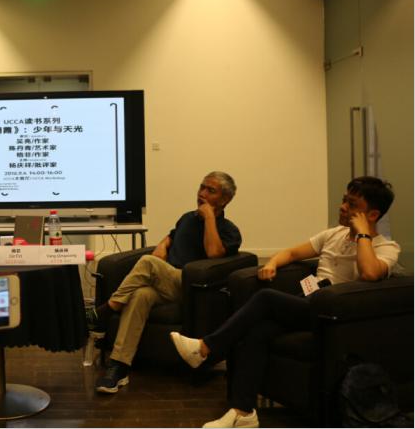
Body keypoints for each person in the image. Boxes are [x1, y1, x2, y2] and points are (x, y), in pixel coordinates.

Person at [170, 176, 399, 428]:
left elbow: (370, 273)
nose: (343, 207)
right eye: (344, 200)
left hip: (334, 315)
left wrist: (363, 234)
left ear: (372, 214)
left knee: (266, 298)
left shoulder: (386, 247)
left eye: (352, 205)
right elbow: (291, 252)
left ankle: (206, 348)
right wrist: (271, 263)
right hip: (309, 303)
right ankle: (243, 413)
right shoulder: (333, 235)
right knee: (256, 333)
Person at [88, 171, 242, 394]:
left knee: (148, 262)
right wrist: (163, 244)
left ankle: (106, 311)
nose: (202, 193)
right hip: (167, 283)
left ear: (225, 199)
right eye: (201, 187)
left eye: (211, 190)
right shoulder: (187, 218)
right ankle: (119, 367)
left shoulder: (230, 230)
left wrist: (210, 217)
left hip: (192, 288)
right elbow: (172, 237)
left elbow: (214, 253)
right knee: (140, 295)